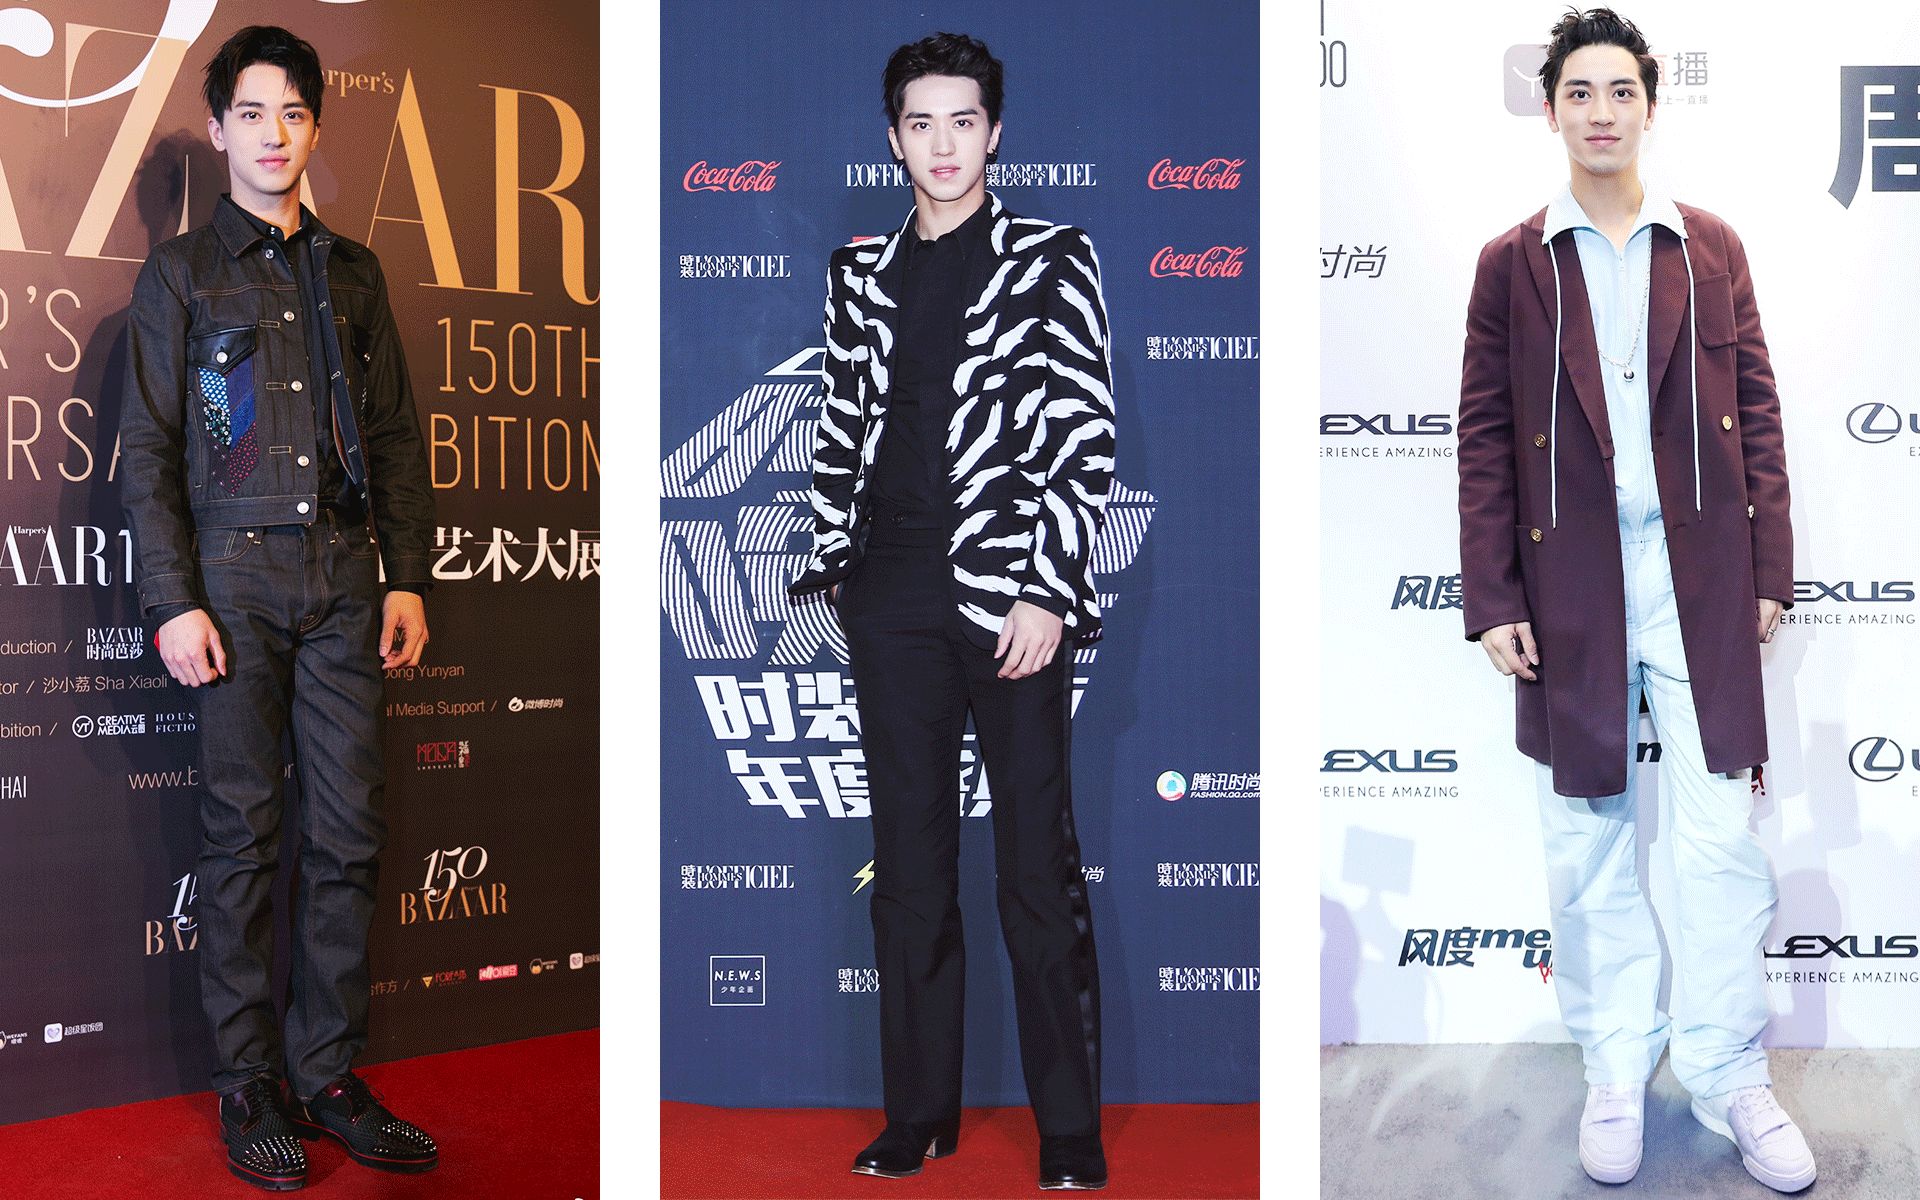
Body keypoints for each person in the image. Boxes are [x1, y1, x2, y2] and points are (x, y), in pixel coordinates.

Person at [1455, 8, 1815, 1193]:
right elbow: (1485, 437)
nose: (1601, 112)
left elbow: (1758, 415)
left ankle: (1727, 1071)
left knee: (1721, 845)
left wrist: (1769, 571)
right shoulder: (1514, 262)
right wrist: (1493, 593)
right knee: (1588, 838)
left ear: (1651, 106)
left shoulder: (1709, 247)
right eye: (1580, 92)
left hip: (1698, 581)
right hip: (1571, 585)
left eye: (1621, 91)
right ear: (1549, 108)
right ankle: (1615, 1066)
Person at [787, 30, 1115, 1193]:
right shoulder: (858, 274)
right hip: (891, 600)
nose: (942, 145)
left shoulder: (1053, 259)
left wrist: (1048, 588)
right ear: (893, 139)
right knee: (910, 872)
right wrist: (837, 561)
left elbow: (1084, 432)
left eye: (962, 122)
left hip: (1011, 601)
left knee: (1036, 870)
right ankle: (917, 1115)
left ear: (995, 133)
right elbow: (839, 425)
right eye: (920, 124)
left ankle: (1069, 1129)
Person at [120, 24, 439, 1191]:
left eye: (293, 113)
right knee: (244, 838)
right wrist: (174, 600)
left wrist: (406, 573)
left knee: (349, 835)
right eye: (250, 113)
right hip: (234, 582)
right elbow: (151, 450)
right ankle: (249, 1082)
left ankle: (329, 1075)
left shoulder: (353, 272)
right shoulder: (183, 275)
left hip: (348, 578)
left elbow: (394, 436)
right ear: (219, 130)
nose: (273, 134)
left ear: (315, 127)